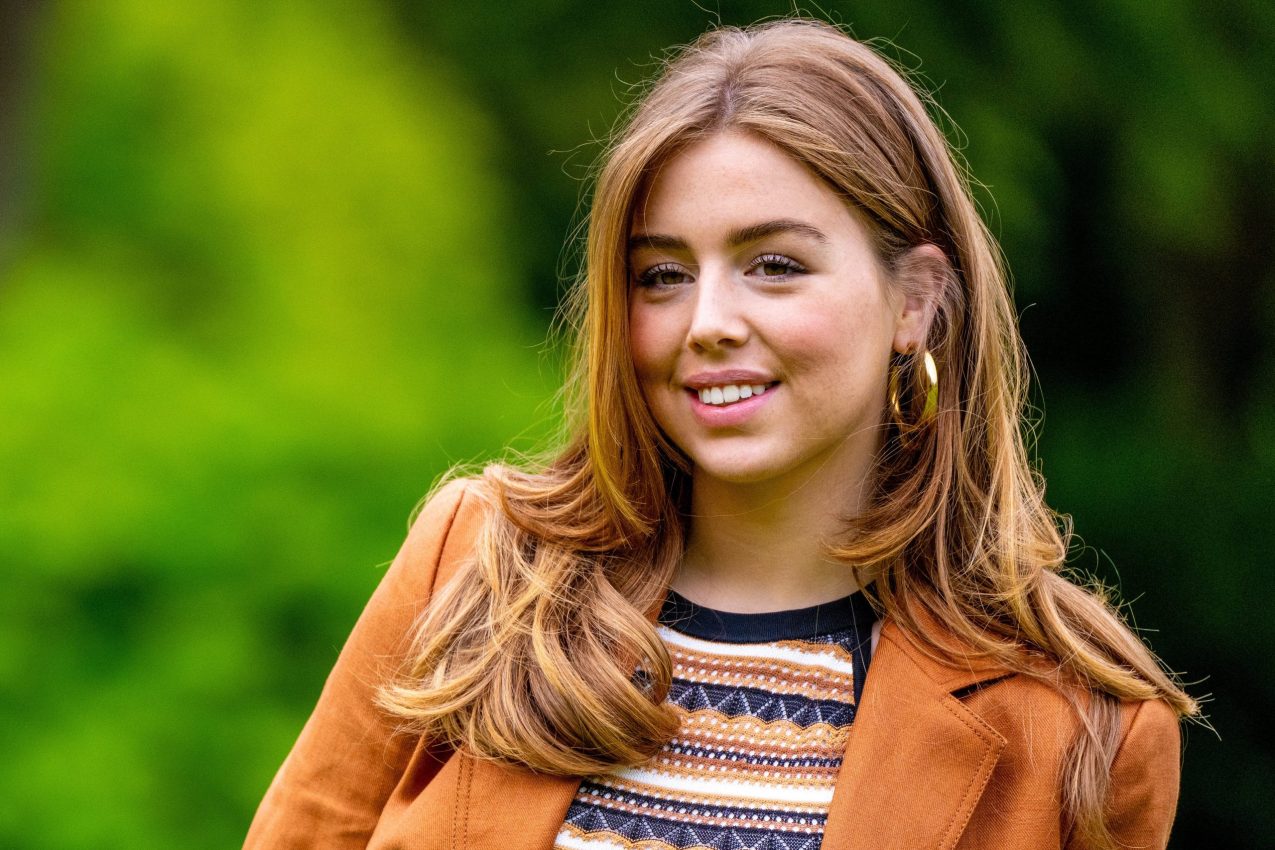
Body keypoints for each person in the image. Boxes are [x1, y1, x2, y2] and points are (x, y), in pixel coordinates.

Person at [244, 18, 1196, 850]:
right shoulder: (477, 565)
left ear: (915, 302)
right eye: (662, 274)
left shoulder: (1082, 729)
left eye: (773, 265)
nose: (707, 321)